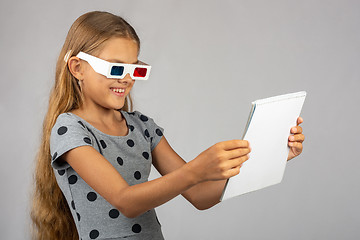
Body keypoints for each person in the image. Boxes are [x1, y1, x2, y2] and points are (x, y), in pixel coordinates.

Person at [30, 11, 305, 240]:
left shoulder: (143, 128)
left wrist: (271, 156)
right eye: (115, 68)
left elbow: (199, 195)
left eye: (135, 69)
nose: (126, 79)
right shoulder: (70, 130)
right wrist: (197, 169)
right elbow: (125, 201)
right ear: (78, 68)